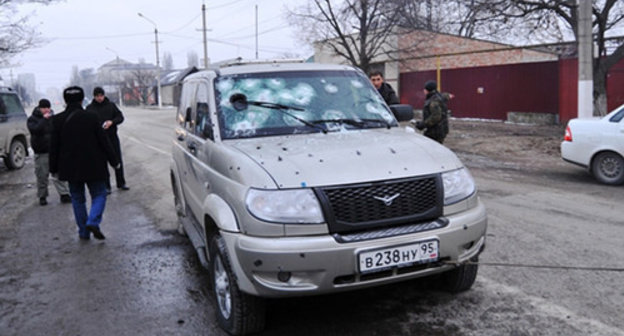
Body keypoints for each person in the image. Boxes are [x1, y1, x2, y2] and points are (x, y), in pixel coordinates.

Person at [49, 86, 119, 240]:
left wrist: (53, 168)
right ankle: (93, 220)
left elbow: (53, 147)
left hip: (70, 167)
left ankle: (83, 232)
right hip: (94, 164)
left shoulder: (58, 120)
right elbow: (104, 141)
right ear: (82, 100)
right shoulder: (92, 117)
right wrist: (114, 161)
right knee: (99, 194)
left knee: (77, 198)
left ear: (65, 101)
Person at [27, 99, 72, 206]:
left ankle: (64, 194)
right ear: (40, 108)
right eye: (44, 108)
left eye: (48, 107)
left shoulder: (54, 118)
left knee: (58, 174)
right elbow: (35, 130)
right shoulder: (32, 119)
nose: (47, 110)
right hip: (41, 152)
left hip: (54, 151)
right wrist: (44, 119)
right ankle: (42, 196)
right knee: (42, 176)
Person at [86, 87, 129, 192]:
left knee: (117, 160)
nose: (99, 98)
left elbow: (120, 117)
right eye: (97, 96)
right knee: (102, 163)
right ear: (94, 96)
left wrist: (112, 122)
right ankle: (106, 186)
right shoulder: (90, 108)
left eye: (101, 95)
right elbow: (87, 122)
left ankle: (121, 182)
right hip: (98, 140)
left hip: (112, 137)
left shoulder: (111, 106)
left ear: (104, 95)